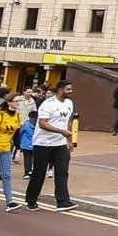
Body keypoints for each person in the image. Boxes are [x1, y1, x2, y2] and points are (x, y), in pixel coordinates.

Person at [23, 81, 77, 211]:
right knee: (39, 172)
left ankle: (63, 201)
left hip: (60, 143)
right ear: (60, 90)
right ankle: (31, 200)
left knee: (62, 171)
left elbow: (68, 122)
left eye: (71, 89)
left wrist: (69, 140)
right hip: (43, 143)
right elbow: (42, 124)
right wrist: (61, 131)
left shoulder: (69, 103)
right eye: (68, 89)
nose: (71, 91)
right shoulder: (48, 104)